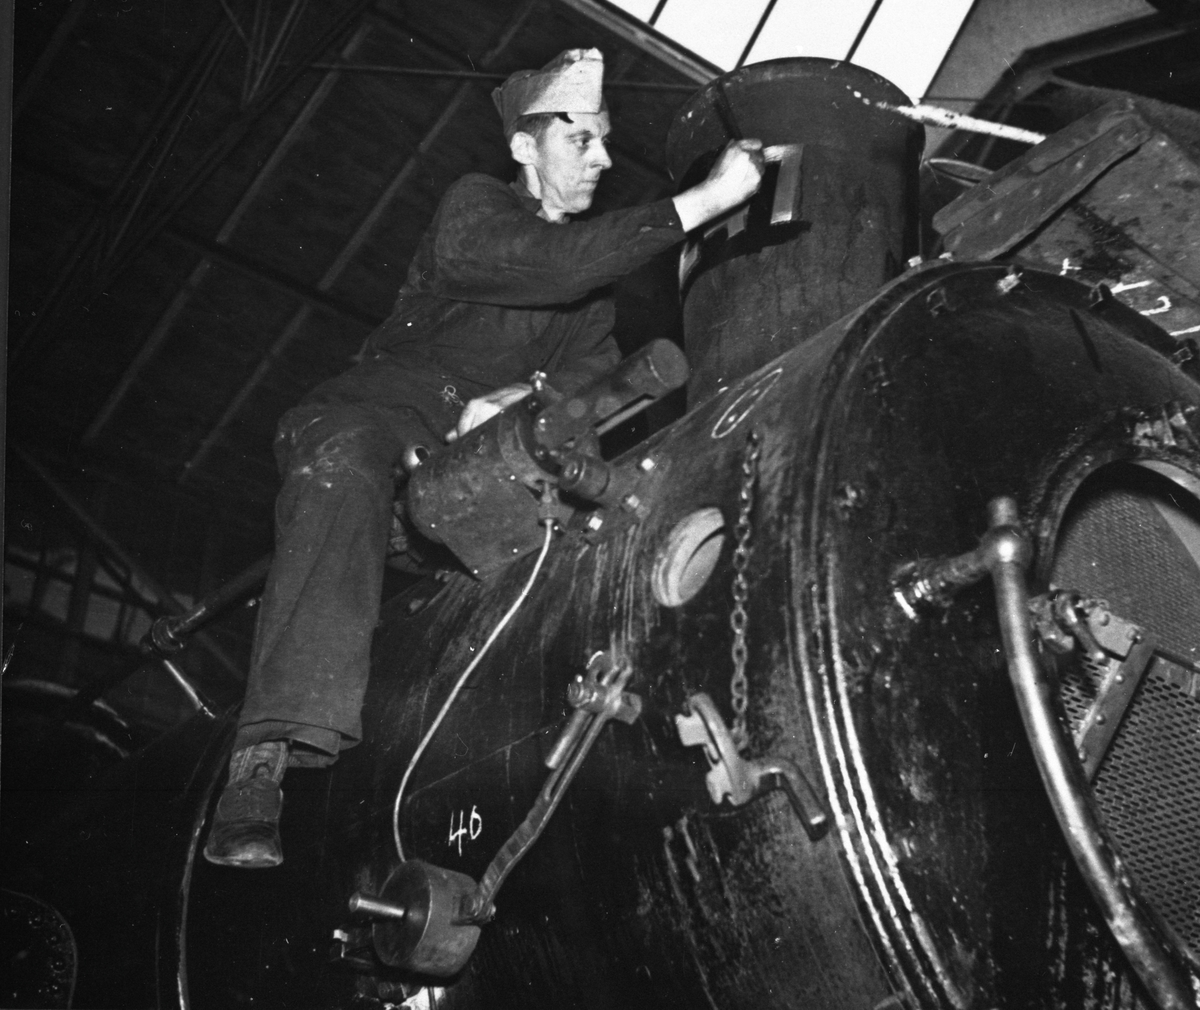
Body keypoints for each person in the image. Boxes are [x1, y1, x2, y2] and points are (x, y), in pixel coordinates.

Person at [203, 47, 763, 868]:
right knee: (345, 467)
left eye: (606, 141)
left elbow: (588, 382)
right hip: (379, 420)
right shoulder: (475, 208)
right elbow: (543, 264)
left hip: (468, 472)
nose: (604, 160)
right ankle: (263, 760)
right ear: (524, 148)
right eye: (582, 139)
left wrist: (529, 396)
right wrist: (705, 201)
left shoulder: (592, 306)